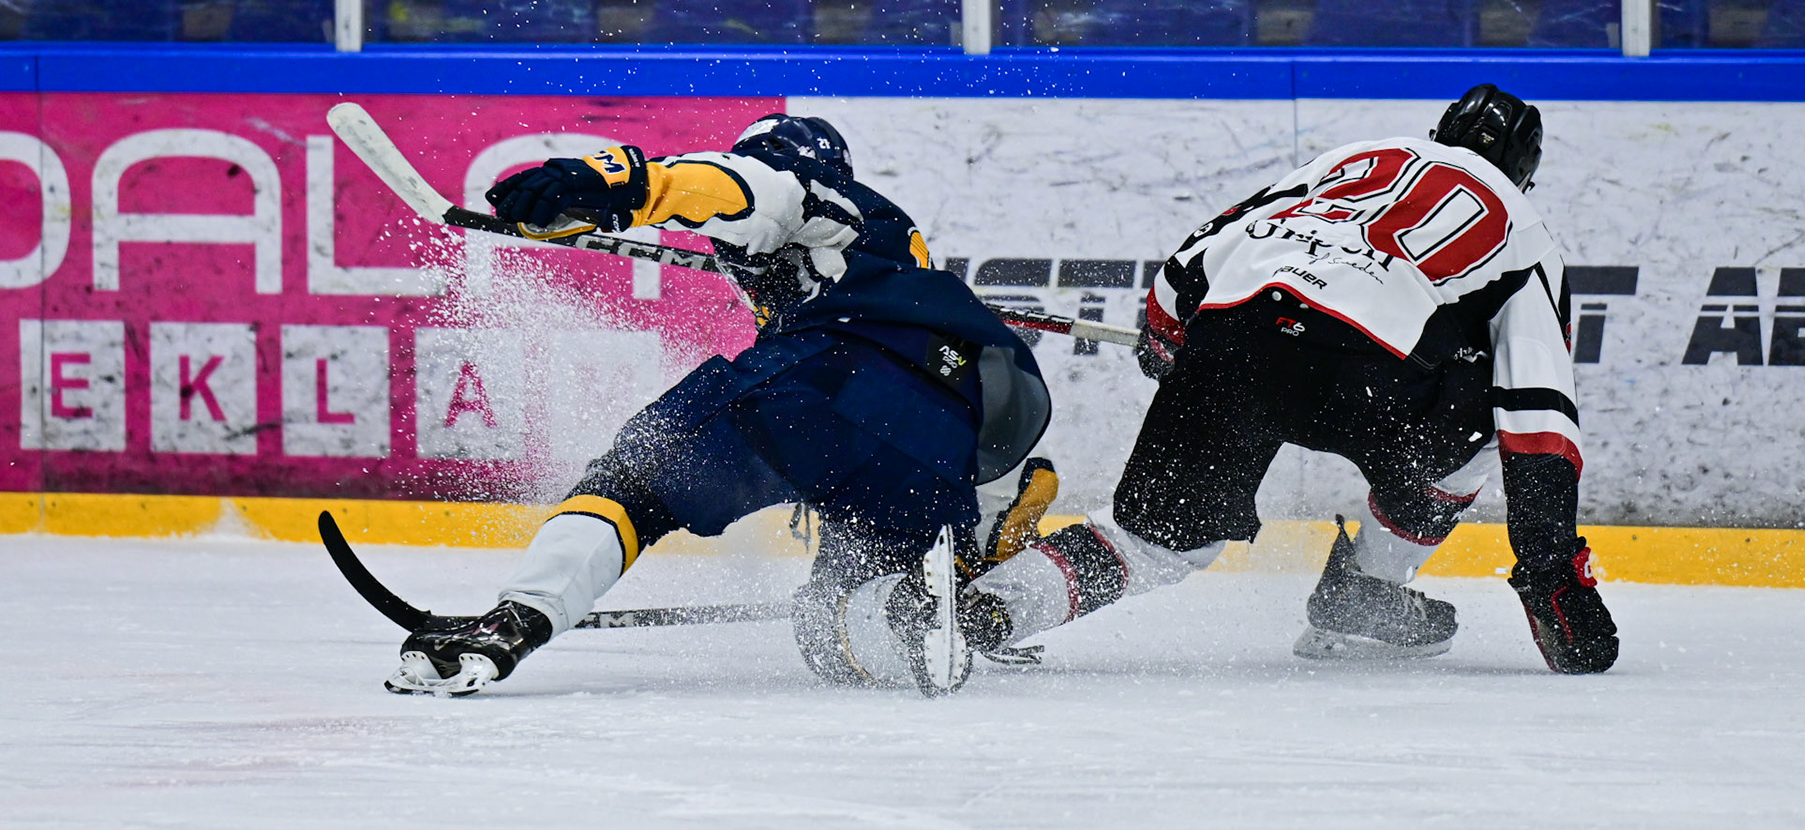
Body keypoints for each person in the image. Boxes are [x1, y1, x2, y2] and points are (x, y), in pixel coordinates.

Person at [938, 85, 1618, 676]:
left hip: (1236, 338)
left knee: (1157, 537)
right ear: (1524, 176)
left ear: (1439, 132)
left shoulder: (1358, 158)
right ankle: (1366, 589)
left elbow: (1193, 260)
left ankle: (990, 608)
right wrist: (1551, 572)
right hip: (1370, 380)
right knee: (1486, 426)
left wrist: (1170, 337)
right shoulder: (1524, 229)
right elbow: (1537, 418)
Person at [387, 114, 1055, 696]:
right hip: (941, 443)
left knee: (635, 480)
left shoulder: (806, 187)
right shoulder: (908, 266)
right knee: (833, 626)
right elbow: (1001, 402)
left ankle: (518, 619)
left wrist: (612, 186)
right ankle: (911, 608)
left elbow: (744, 188)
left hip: (831, 383)